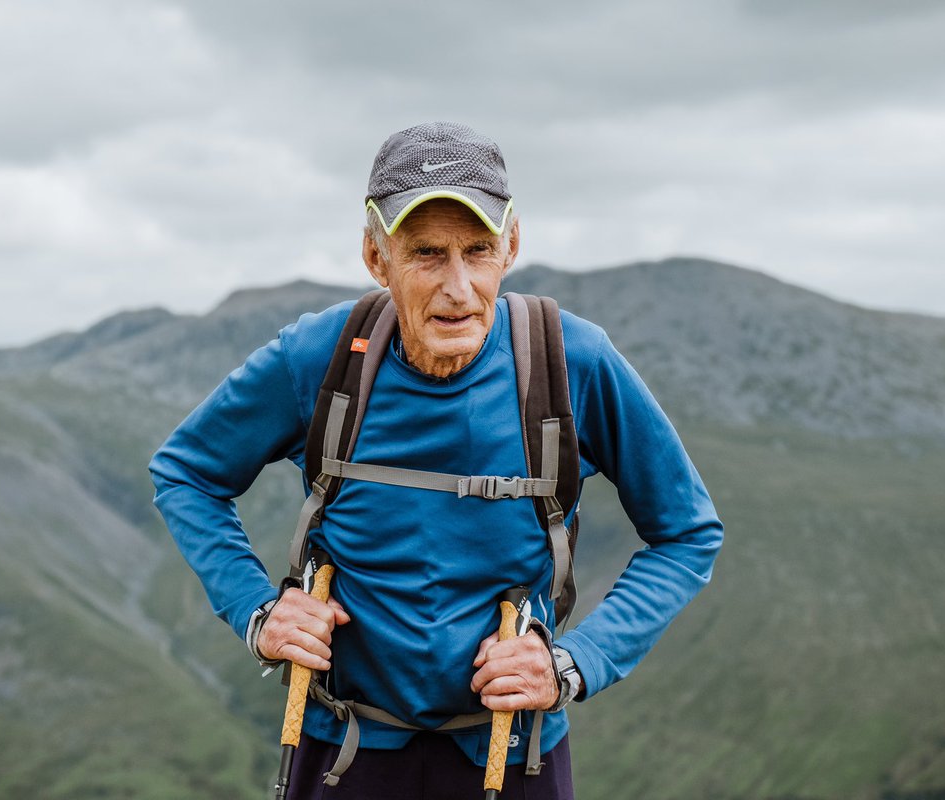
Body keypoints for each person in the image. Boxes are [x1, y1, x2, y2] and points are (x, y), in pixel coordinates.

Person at [149, 121, 723, 800]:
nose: (458, 286)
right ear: (375, 255)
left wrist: (573, 664)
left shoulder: (574, 363)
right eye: (426, 253)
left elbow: (687, 532)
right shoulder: (320, 357)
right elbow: (186, 473)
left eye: (478, 250)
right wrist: (258, 612)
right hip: (343, 750)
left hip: (514, 756)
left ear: (512, 245)